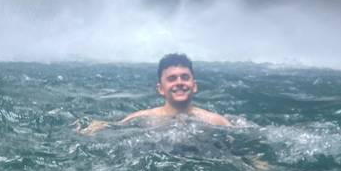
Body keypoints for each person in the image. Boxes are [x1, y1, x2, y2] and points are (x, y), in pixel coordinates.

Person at [79, 53, 231, 134]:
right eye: (172, 78)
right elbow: (114, 126)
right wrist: (95, 126)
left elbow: (241, 146)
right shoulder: (144, 117)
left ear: (194, 86)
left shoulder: (216, 121)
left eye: (185, 77)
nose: (179, 82)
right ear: (160, 89)